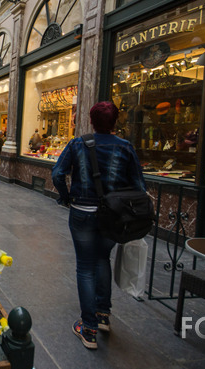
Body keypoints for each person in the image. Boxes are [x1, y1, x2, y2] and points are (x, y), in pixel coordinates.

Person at [51, 101, 147, 350]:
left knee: (85, 266)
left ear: (91, 120)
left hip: (82, 212)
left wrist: (66, 196)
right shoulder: (126, 148)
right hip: (113, 217)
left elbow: (57, 174)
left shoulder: (78, 143)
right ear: (116, 122)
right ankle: (103, 315)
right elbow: (139, 188)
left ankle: (89, 328)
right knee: (103, 258)